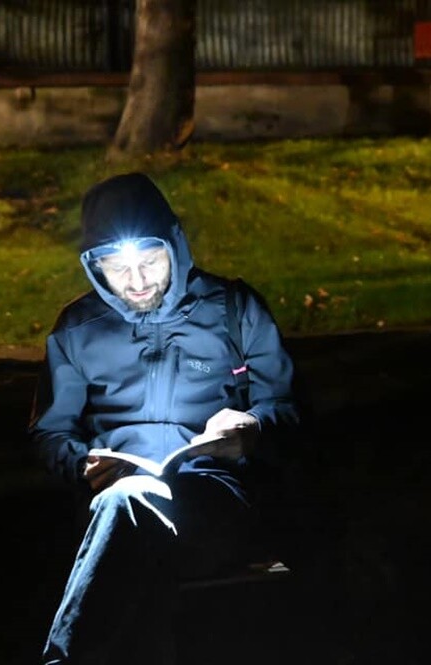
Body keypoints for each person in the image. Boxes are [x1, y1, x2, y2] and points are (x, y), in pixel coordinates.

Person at [30, 172, 300, 665]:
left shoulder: (233, 309)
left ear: (174, 246)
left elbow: (285, 406)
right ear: (94, 266)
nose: (136, 282)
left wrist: (253, 430)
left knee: (129, 522)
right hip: (113, 505)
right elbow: (51, 431)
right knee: (129, 513)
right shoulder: (77, 330)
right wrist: (82, 463)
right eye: (117, 268)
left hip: (214, 500)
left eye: (150, 263)